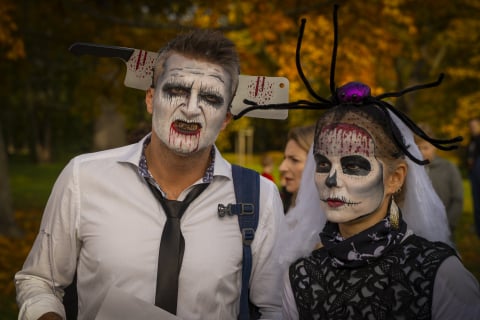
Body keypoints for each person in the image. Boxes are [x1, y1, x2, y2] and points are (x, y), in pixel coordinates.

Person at [15, 29, 285, 320]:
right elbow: (40, 281)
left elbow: (274, 308)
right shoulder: (83, 177)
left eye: (210, 97)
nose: (191, 109)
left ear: (225, 120)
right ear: (150, 99)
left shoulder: (260, 198)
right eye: (177, 91)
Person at [281, 101, 480, 319]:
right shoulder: (301, 275)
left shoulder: (442, 275)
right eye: (323, 164)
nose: (331, 180)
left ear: (395, 178)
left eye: (353, 165)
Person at [415, 125, 464, 240]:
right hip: (417, 231)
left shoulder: (449, 168)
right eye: (418, 148)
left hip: (444, 231)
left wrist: (448, 226)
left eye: (425, 148)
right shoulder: (411, 171)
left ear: (434, 147)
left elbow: (457, 199)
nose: (421, 152)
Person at [279, 125, 315, 213]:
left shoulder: (333, 223)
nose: (282, 167)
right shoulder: (283, 206)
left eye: (294, 160)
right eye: (285, 158)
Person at [467, 117, 480, 237]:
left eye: (475, 126)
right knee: (476, 201)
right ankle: (477, 227)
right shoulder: (472, 140)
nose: (472, 128)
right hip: (473, 173)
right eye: (471, 126)